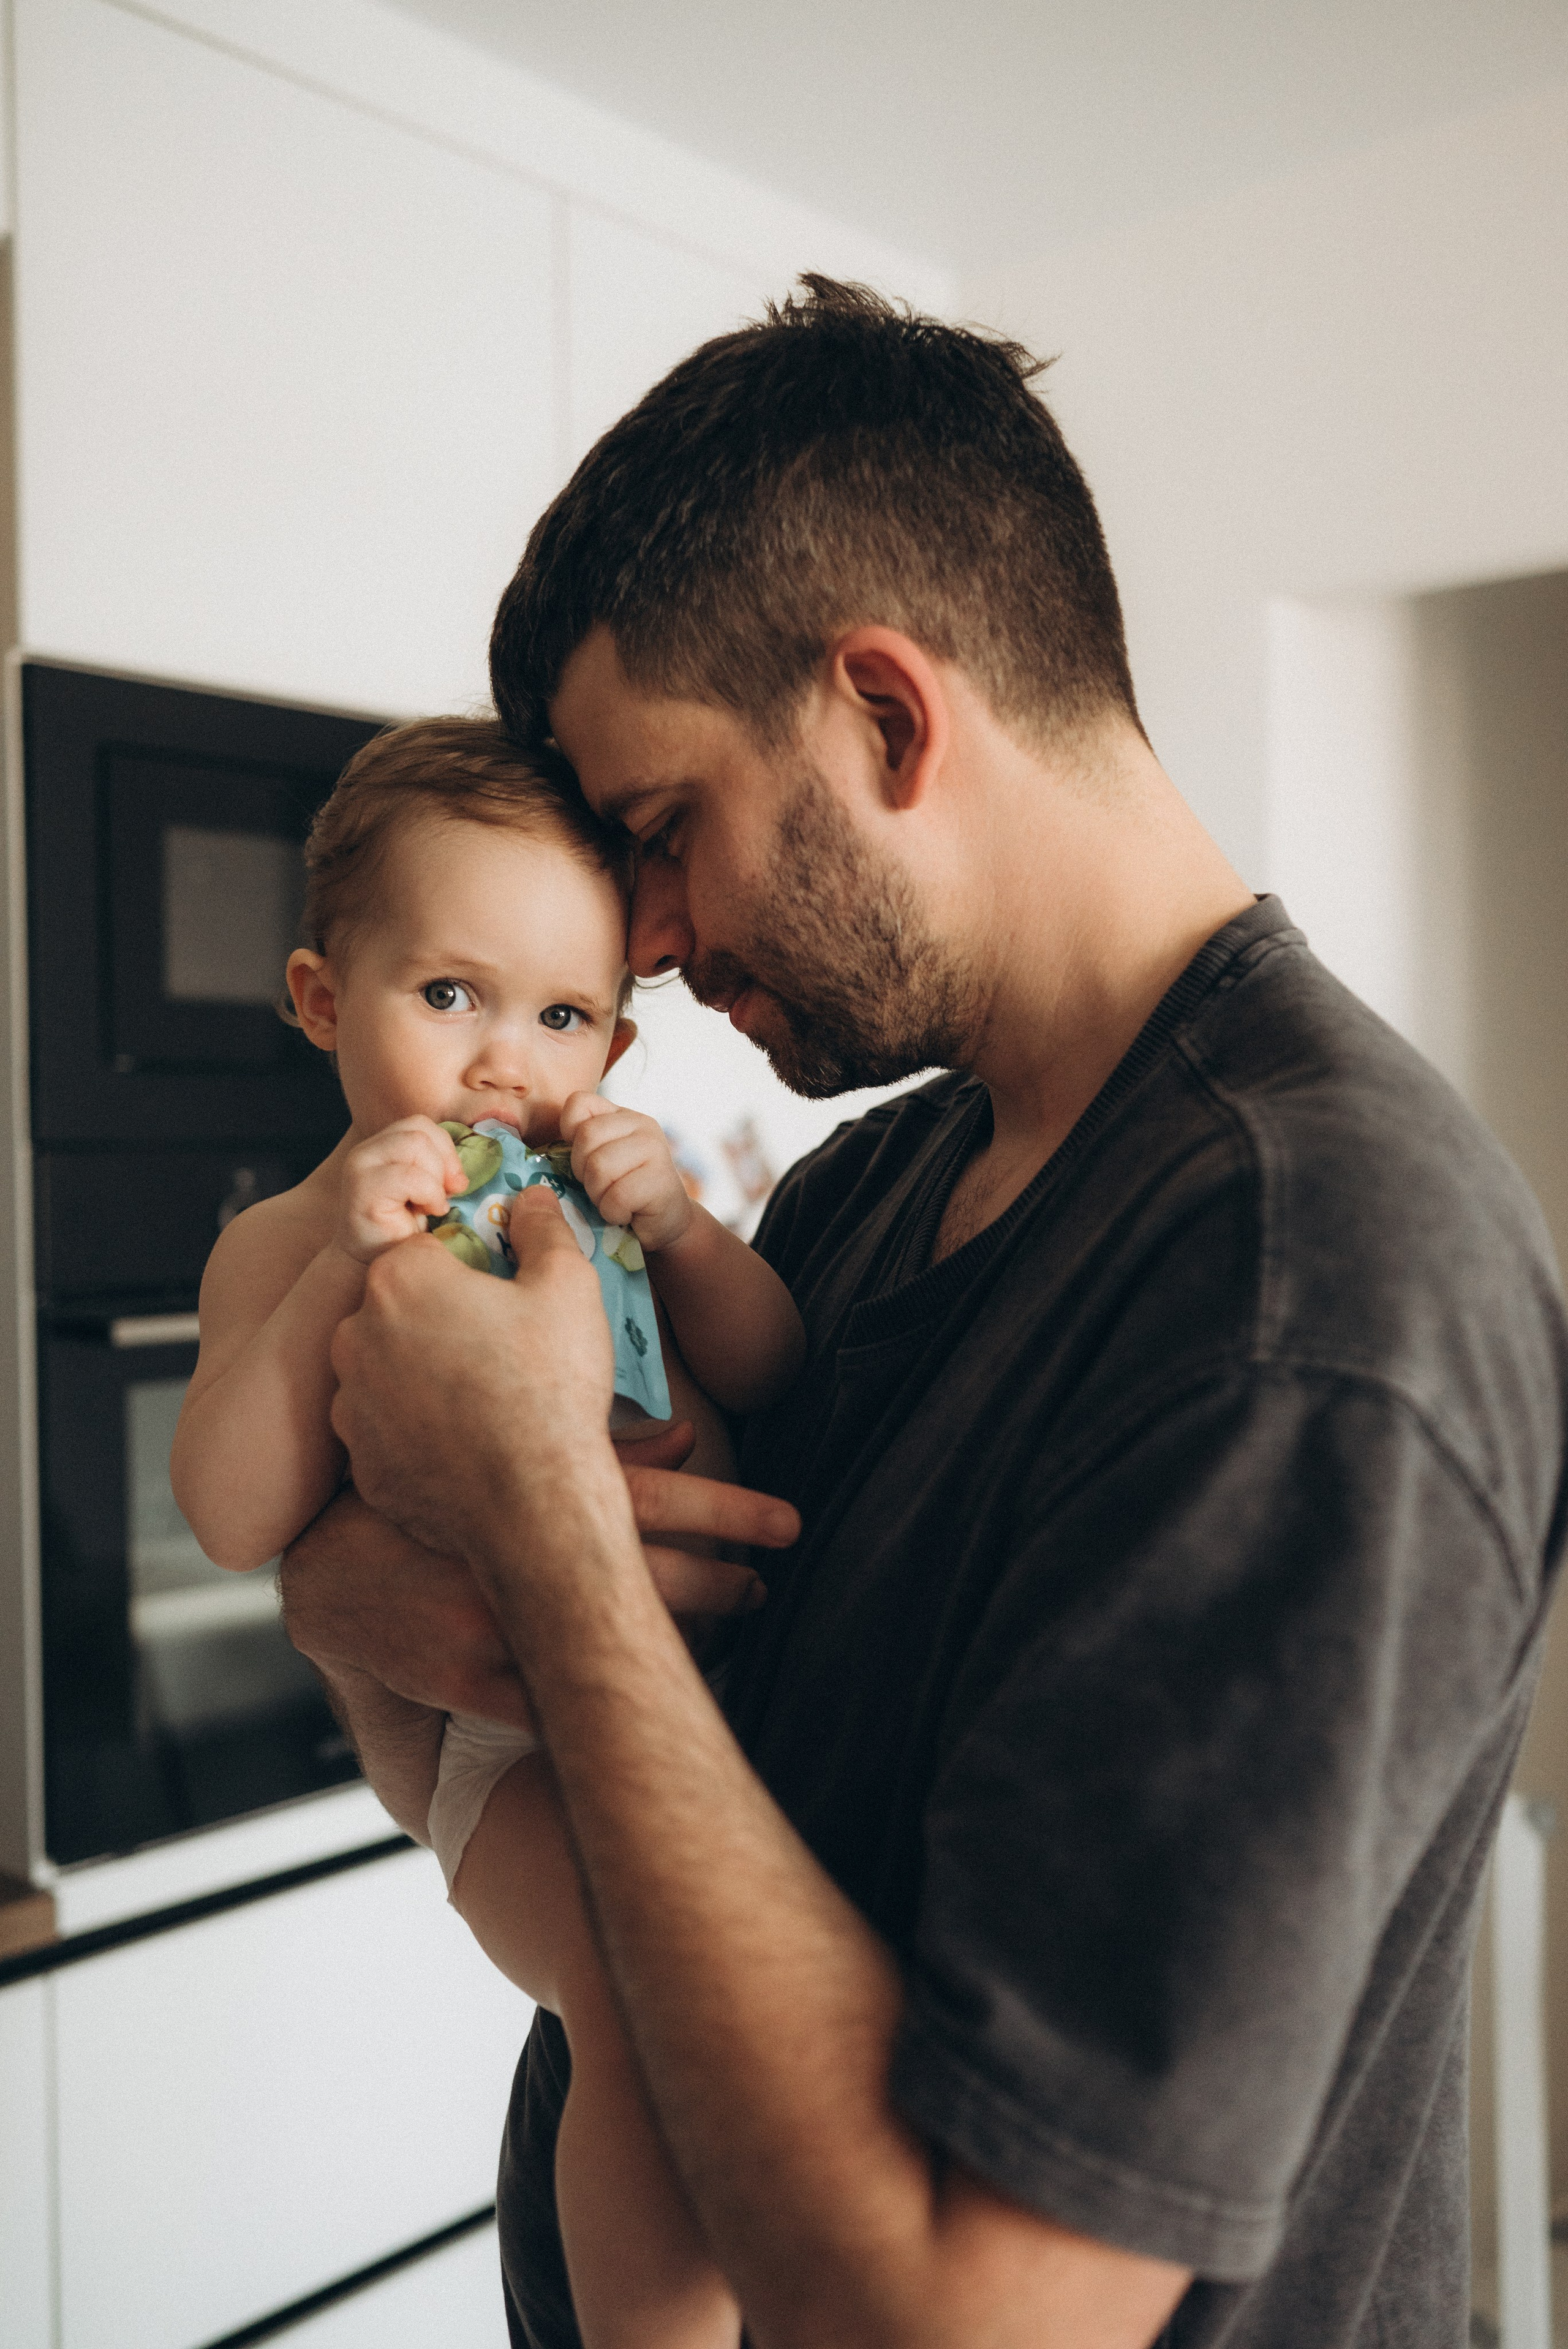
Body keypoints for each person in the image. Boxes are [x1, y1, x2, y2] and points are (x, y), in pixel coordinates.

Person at [280, 280, 1568, 2349]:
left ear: (885, 715)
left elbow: (970, 2318)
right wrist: (354, 1577)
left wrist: (529, 1519)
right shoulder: (864, 1193)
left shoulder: (1311, 1270)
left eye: (662, 833)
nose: (643, 945)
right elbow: (593, 1708)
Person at [170, 715, 802, 2349]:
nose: (506, 1061)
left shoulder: (609, 1195)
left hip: (721, 1711)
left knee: (756, 2018)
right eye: (451, 995)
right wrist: (338, 1270)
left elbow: (776, 1370)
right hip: (504, 1749)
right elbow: (232, 1517)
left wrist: (685, 1231)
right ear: (324, 1000)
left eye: (563, 1015)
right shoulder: (284, 1239)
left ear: (616, 1043)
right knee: (638, 2000)